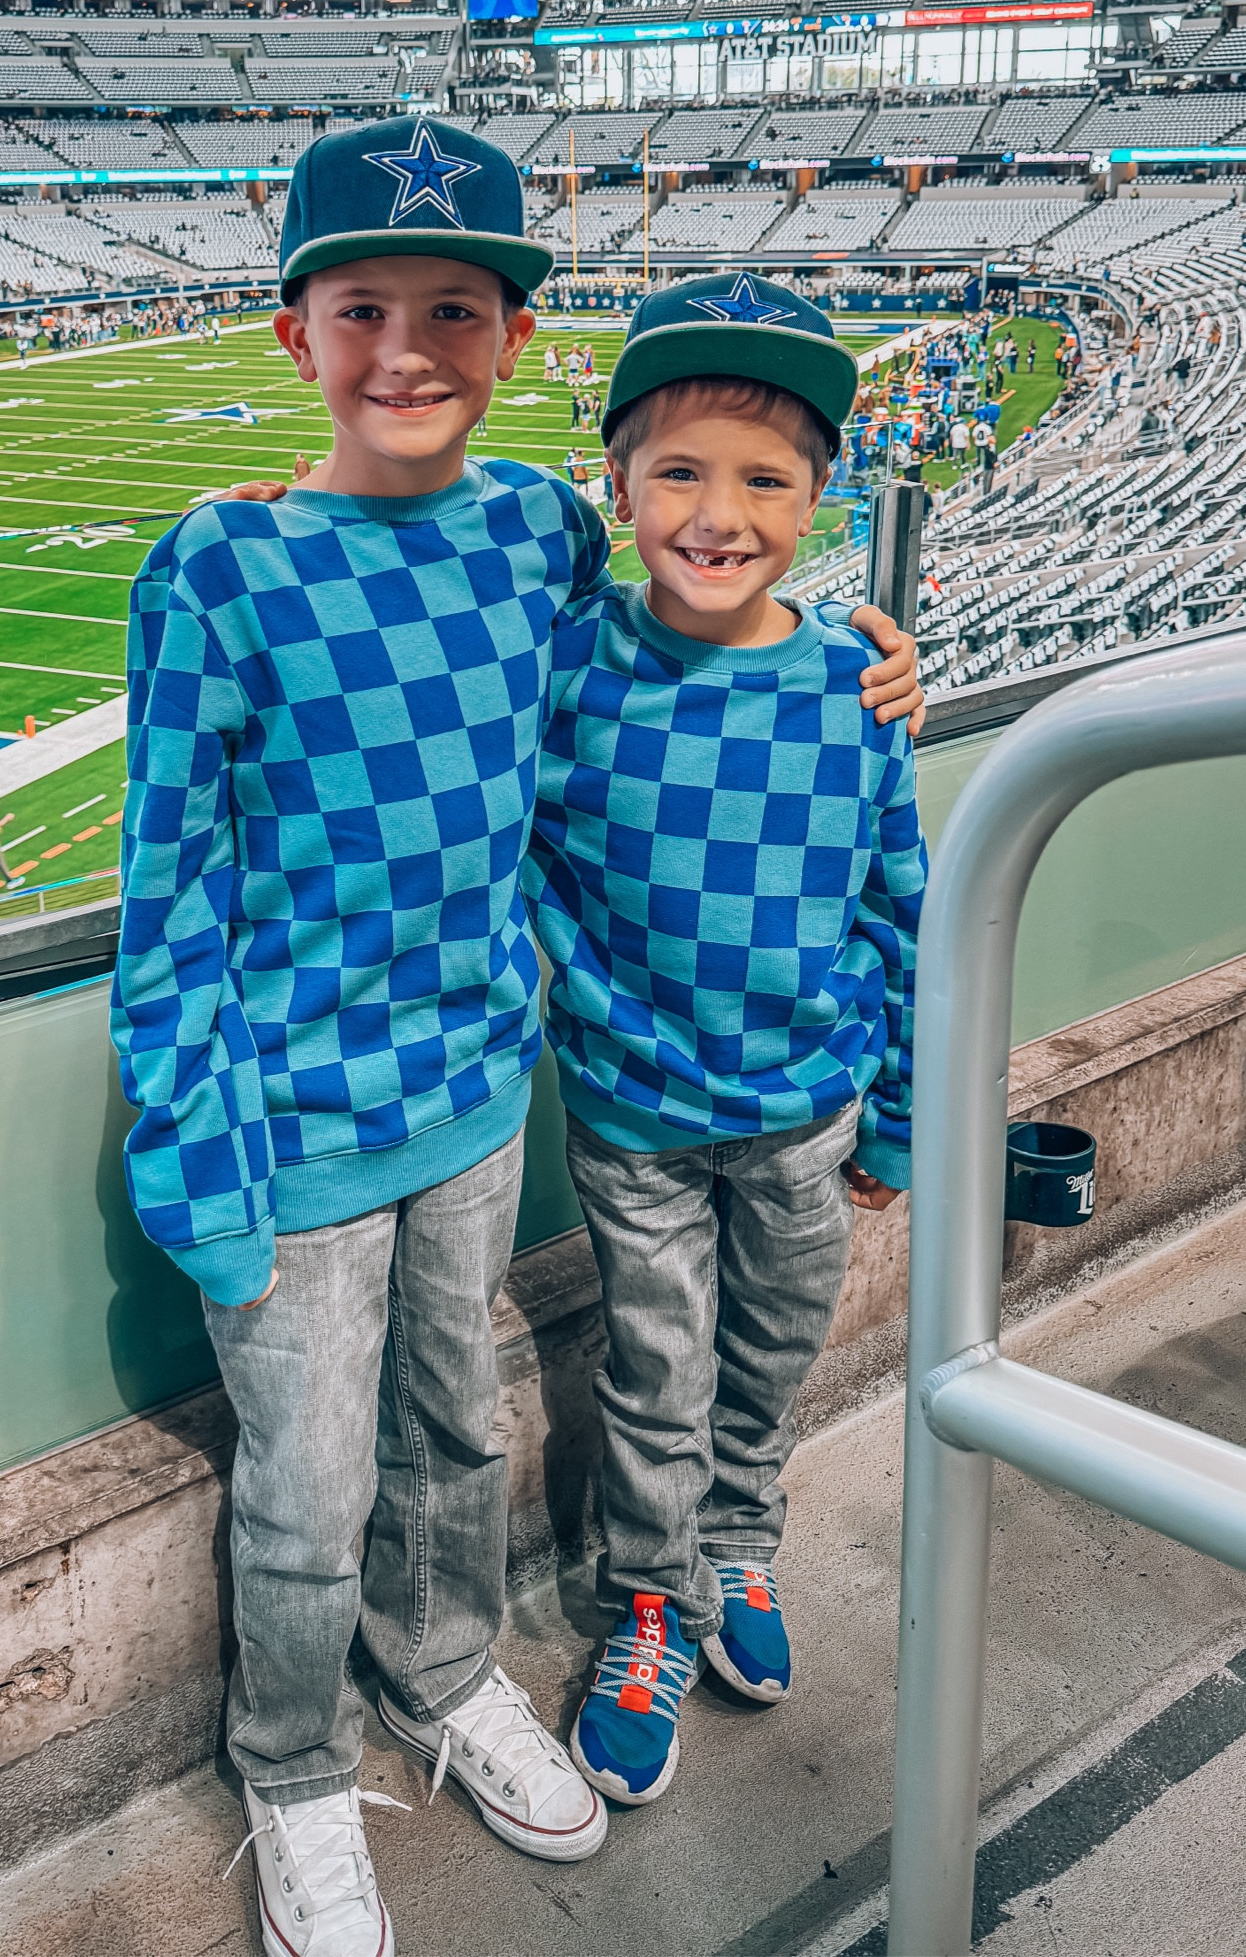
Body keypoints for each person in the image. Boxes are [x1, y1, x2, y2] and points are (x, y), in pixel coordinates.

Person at [112, 122, 924, 1953]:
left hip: (478, 1096)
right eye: (366, 308)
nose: (408, 348)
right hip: (296, 1124)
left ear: (513, 343)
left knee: (456, 1442)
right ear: (293, 334)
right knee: (309, 1497)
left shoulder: (540, 530)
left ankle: (451, 1672)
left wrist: (868, 662)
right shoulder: (219, 569)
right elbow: (168, 890)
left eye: (453, 311)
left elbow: (687, 650)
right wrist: (197, 1159)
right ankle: (296, 1766)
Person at [522, 273, 927, 1808]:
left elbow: (901, 907)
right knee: (655, 1367)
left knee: (766, 1352)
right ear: (615, 481)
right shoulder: (569, 667)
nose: (719, 511)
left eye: (766, 477)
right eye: (677, 469)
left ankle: (741, 1541)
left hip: (809, 1112)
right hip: (633, 1112)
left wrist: (899, 1120)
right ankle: (649, 1600)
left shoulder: (853, 683)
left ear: (822, 490)